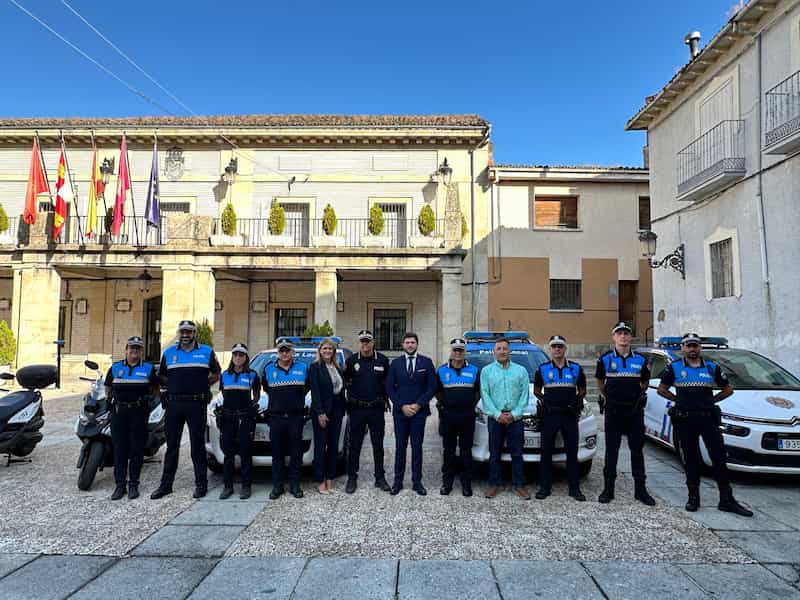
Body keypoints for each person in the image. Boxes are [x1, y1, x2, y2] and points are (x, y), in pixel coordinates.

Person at [657, 333, 753, 516]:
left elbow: (728, 389)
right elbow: (662, 389)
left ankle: (727, 499)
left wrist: (712, 402)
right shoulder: (675, 368)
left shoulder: (711, 367)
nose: (692, 349)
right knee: (691, 459)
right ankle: (693, 497)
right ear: (683, 348)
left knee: (718, 458)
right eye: (689, 346)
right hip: (685, 420)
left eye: (695, 346)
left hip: (708, 418)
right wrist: (678, 400)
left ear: (699, 348)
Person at [151, 320, 221, 500]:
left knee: (197, 447)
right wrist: (174, 386)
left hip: (196, 404)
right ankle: (166, 485)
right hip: (174, 405)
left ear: (194, 333)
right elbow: (162, 376)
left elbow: (217, 373)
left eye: (188, 332)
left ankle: (201, 485)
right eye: (182, 332)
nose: (185, 335)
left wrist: (203, 384)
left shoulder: (206, 351)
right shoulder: (169, 353)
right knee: (172, 446)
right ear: (179, 333)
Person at [595, 322, 656, 506]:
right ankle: (608, 489)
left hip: (634, 412)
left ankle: (640, 490)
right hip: (613, 411)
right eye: (619, 333)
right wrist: (610, 398)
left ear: (630, 337)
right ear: (613, 337)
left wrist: (635, 397)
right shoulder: (604, 359)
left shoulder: (640, 359)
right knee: (611, 451)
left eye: (626, 334)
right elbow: (599, 381)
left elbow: (645, 382)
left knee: (637, 451)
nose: (623, 337)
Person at [104, 336, 159, 501]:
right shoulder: (115, 367)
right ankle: (120, 485)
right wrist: (110, 402)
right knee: (119, 449)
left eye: (138, 349)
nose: (134, 351)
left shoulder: (148, 368)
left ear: (141, 351)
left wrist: (148, 403)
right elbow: (107, 387)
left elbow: (155, 389)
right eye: (132, 348)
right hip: (119, 413)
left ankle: (133, 484)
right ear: (126, 349)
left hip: (138, 413)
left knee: (136, 450)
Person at [533, 335, 587, 502]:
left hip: (569, 415)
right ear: (550, 349)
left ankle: (574, 488)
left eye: (560, 346)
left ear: (565, 349)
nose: (557, 349)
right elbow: (536, 390)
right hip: (550, 415)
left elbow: (583, 389)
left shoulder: (576, 368)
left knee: (572, 453)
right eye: (554, 346)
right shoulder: (542, 369)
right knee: (546, 452)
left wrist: (577, 401)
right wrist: (546, 402)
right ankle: (544, 487)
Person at [480, 337, 531, 500]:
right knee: (494, 453)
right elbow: (485, 394)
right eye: (499, 348)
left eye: (505, 348)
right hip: (496, 419)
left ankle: (519, 485)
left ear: (510, 351)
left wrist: (515, 414)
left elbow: (525, 395)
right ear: (494, 352)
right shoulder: (486, 371)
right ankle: (494, 484)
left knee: (517, 453)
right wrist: (497, 414)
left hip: (515, 419)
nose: (502, 351)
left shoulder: (521, 371)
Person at [386, 332, 437, 495]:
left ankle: (417, 482)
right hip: (401, 413)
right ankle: (397, 482)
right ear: (402, 345)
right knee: (400, 447)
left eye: (412, 342)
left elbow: (432, 388)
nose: (410, 345)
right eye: (407, 342)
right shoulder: (395, 363)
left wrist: (418, 405)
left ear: (417, 344)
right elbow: (389, 388)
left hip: (419, 413)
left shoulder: (427, 362)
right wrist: (402, 406)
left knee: (417, 448)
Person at [342, 330, 392, 494]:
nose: (365, 344)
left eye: (368, 341)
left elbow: (389, 383)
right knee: (354, 446)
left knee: (378, 446)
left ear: (373, 343)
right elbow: (345, 382)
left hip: (376, 409)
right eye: (362, 341)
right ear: (359, 343)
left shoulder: (383, 360)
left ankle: (380, 477)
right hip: (357, 409)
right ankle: (352, 478)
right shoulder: (351, 361)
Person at [263, 338, 309, 499]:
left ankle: (295, 485)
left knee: (296, 454)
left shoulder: (303, 367)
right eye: (281, 350)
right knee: (277, 454)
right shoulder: (268, 369)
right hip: (276, 418)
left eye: (287, 350)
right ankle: (277, 486)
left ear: (292, 352)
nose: (284, 353)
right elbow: (266, 388)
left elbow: (307, 387)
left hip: (295, 418)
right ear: (278, 352)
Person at [435, 337, 480, 497]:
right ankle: (447, 483)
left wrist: (467, 406)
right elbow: (438, 392)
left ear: (465, 352)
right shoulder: (441, 370)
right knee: (448, 450)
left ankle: (466, 484)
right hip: (448, 416)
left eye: (461, 350)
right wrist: (447, 405)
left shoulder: (474, 370)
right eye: (455, 350)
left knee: (466, 451)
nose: (458, 352)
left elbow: (477, 393)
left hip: (467, 416)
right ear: (451, 352)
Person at [217, 343, 260, 500]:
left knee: (245, 453)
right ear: (232, 357)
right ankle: (228, 487)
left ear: (246, 357)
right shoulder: (224, 375)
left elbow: (256, 395)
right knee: (228, 454)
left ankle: (246, 486)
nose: (238, 357)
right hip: (228, 418)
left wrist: (252, 407)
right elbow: (223, 393)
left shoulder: (253, 375)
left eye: (241, 355)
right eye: (235, 354)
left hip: (244, 418)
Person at [309, 337, 346, 494]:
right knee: (320, 446)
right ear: (320, 350)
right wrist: (320, 413)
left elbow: (341, 389)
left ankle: (330, 479)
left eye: (330, 349)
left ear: (334, 351)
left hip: (337, 410)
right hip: (322, 412)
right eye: (324, 348)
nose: (327, 351)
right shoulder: (315, 367)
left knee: (333, 446)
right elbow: (315, 392)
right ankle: (320, 480)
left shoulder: (337, 367)